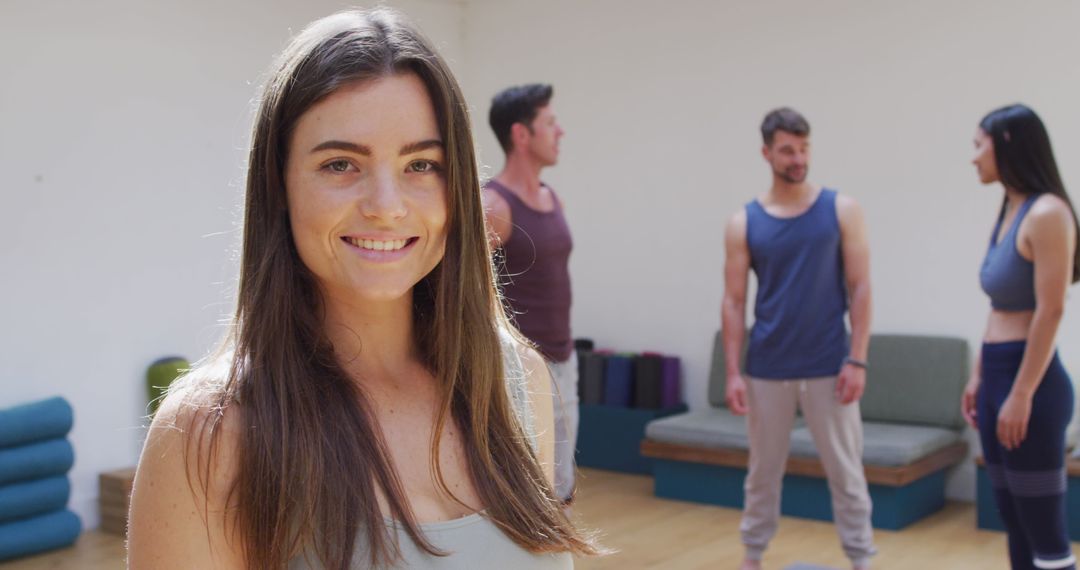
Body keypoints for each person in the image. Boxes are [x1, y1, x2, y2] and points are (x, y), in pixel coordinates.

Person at [126, 9, 596, 569]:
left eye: (421, 164)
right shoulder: (210, 433)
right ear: (279, 185)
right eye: (341, 163)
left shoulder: (518, 382)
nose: (386, 206)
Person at [721, 107, 877, 570]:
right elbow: (733, 302)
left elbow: (861, 286)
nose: (797, 157)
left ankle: (861, 559)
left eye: (804, 148)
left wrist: (858, 359)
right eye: (787, 149)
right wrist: (732, 371)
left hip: (831, 365)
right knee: (763, 475)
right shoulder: (744, 222)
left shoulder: (841, 210)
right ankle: (752, 557)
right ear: (767, 152)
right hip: (768, 367)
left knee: (847, 474)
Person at [962, 104, 1079, 570]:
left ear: (1006, 144)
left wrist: (1021, 392)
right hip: (997, 375)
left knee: (1044, 530)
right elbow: (999, 307)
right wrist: (978, 378)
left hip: (1029, 383)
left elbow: (1050, 309)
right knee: (1013, 520)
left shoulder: (1048, 213)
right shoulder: (1010, 207)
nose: (973, 158)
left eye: (978, 146)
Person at [483, 84, 577, 503]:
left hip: (563, 361)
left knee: (561, 487)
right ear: (521, 135)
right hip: (516, 370)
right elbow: (459, 288)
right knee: (527, 491)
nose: (560, 133)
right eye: (551, 124)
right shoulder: (493, 206)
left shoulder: (551, 197)